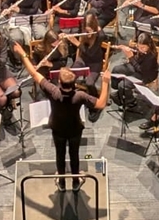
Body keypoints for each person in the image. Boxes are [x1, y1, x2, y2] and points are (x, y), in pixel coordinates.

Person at [13, 42, 110, 189]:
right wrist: (105, 82)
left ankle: (62, 183)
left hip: (57, 129)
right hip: (75, 129)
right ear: (74, 83)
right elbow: (101, 103)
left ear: (59, 81)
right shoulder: (80, 95)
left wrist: (23, 54)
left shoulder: (53, 91)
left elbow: (33, 73)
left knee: (60, 155)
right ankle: (76, 182)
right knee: (74, 155)